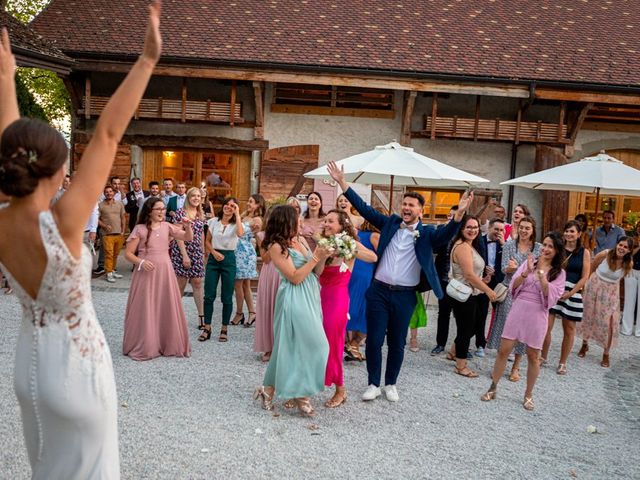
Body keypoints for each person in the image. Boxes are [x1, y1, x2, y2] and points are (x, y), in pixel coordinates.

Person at [0, 4, 160, 477]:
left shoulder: (3, 221)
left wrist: (6, 78)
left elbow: (9, 140)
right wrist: (147, 60)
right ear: (55, 170)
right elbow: (110, 132)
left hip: (29, 368)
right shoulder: (65, 220)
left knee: (45, 466)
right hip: (76, 369)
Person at [327, 161, 472, 402]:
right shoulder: (390, 223)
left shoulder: (427, 233)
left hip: (405, 295)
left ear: (420, 211)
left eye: (411, 205)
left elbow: (446, 235)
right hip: (379, 291)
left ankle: (391, 383)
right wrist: (343, 182)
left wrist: (458, 216)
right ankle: (373, 383)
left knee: (396, 342)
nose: (406, 207)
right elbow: (364, 209)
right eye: (404, 204)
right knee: (373, 339)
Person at [253, 205, 332, 416]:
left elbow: (317, 272)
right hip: (292, 298)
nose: (301, 223)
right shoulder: (276, 246)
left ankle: (269, 390)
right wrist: (315, 256)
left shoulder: (302, 241)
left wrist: (323, 256)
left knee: (289, 348)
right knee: (315, 344)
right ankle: (300, 394)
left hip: (310, 295)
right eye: (297, 220)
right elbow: (295, 277)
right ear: (286, 221)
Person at [481, 233, 566, 411]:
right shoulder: (531, 262)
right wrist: (526, 272)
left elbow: (553, 297)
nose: (546, 249)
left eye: (551, 246)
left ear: (557, 251)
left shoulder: (559, 273)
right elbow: (513, 285)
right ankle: (493, 387)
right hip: (519, 308)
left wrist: (543, 279)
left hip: (538, 313)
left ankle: (528, 394)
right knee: (504, 350)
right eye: (545, 245)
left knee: (534, 356)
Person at [319, 209, 377, 408]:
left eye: (331, 221)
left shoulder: (348, 244)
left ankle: (340, 389)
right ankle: (305, 386)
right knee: (314, 341)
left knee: (333, 343)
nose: (326, 224)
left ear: (342, 226)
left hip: (337, 298)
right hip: (318, 296)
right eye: (325, 221)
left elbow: (372, 258)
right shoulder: (322, 245)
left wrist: (349, 247)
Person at [123, 197, 193, 360]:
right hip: (145, 273)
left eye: (163, 209)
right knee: (146, 305)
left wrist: (188, 226)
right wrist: (141, 262)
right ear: (149, 211)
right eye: (159, 209)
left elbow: (187, 238)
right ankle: (147, 343)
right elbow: (128, 254)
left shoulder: (168, 226)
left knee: (164, 304)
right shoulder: (139, 229)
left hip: (165, 271)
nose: (162, 212)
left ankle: (165, 342)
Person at [486, 215, 541, 382]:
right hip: (510, 289)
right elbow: (503, 269)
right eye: (522, 227)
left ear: (533, 230)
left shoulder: (538, 248)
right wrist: (511, 269)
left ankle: (516, 367)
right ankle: (499, 363)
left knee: (523, 329)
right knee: (505, 326)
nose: (524, 231)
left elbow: (538, 270)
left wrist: (520, 269)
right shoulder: (510, 244)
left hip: (529, 292)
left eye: (527, 228)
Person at [445, 215, 497, 378]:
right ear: (461, 229)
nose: (473, 230)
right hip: (465, 292)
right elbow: (468, 274)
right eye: (469, 227)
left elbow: (472, 273)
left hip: (471, 291)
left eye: (475, 227)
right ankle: (461, 365)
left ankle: (454, 352)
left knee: (471, 326)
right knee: (466, 328)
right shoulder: (462, 247)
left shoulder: (469, 245)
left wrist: (484, 279)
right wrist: (488, 290)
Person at [541, 220, 591, 374]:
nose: (569, 234)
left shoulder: (584, 252)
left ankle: (562, 362)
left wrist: (571, 292)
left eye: (572, 231)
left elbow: (585, 277)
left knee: (569, 329)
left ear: (579, 234)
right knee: (546, 326)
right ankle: (543, 356)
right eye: (567, 231)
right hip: (555, 288)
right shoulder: (558, 249)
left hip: (573, 291)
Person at [577, 237, 633, 367]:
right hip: (594, 286)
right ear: (616, 244)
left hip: (611, 292)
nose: (621, 248)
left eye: (625, 247)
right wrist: (586, 283)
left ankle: (606, 353)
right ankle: (584, 344)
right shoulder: (605, 254)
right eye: (620, 245)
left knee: (609, 322)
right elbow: (592, 265)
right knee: (589, 316)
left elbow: (621, 278)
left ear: (629, 250)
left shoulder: (628, 264)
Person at [199, 197, 244, 342]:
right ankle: (207, 327)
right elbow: (207, 241)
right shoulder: (213, 221)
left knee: (227, 295)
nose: (228, 207)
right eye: (227, 204)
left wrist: (237, 215)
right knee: (209, 294)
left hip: (229, 259)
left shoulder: (237, 224)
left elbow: (241, 234)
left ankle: (224, 328)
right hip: (214, 258)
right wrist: (213, 252)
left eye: (232, 206)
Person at [169, 187, 207, 329]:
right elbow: (177, 235)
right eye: (193, 196)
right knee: (181, 286)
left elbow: (201, 235)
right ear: (188, 197)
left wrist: (203, 253)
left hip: (196, 252)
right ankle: (173, 317)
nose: (196, 198)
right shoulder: (180, 213)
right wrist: (184, 255)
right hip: (182, 252)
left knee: (197, 283)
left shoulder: (200, 214)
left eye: (198, 196)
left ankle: (202, 318)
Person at [346, 219, 380, 360]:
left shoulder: (358, 233)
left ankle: (351, 345)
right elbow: (381, 256)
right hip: (366, 272)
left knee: (352, 303)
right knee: (365, 308)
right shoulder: (375, 236)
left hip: (354, 269)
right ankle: (354, 343)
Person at [231, 194, 265, 326]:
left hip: (245, 252)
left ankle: (239, 313)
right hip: (237, 250)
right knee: (244, 284)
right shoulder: (245, 216)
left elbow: (244, 233)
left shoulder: (257, 220)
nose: (248, 204)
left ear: (258, 205)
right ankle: (252, 312)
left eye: (251, 202)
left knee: (239, 284)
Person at [475, 217, 506, 357]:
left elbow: (509, 262)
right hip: (482, 281)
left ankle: (503, 347)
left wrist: (504, 245)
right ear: (489, 228)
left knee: (502, 314)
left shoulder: (506, 245)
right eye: (496, 229)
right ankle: (480, 345)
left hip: (499, 282)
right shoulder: (479, 240)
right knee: (481, 313)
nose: (499, 232)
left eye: (501, 230)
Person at [430, 206, 458, 356]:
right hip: (443, 277)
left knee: (461, 314)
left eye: (454, 216)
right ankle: (440, 343)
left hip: (460, 280)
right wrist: (444, 233)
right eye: (450, 216)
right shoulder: (442, 229)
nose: (451, 218)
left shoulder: (464, 231)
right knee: (444, 312)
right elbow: (434, 249)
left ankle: (460, 345)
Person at [254, 207, 280, 362]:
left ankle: (281, 347)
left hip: (283, 272)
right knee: (268, 308)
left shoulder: (288, 236)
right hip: (269, 272)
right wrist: (273, 244)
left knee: (281, 309)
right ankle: (269, 347)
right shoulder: (261, 235)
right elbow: (265, 258)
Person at [98, 184, 126, 283]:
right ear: (104, 194)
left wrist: (123, 230)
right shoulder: (100, 205)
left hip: (118, 233)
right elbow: (96, 219)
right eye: (106, 192)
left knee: (115, 254)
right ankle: (108, 273)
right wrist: (104, 226)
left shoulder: (119, 204)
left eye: (110, 191)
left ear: (113, 193)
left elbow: (123, 217)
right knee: (109, 254)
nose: (109, 193)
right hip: (106, 234)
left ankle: (112, 270)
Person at [621, 223, 640, 336]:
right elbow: (628, 253)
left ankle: (639, 330)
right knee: (629, 300)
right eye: (639, 227)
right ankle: (626, 329)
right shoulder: (632, 240)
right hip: (631, 270)